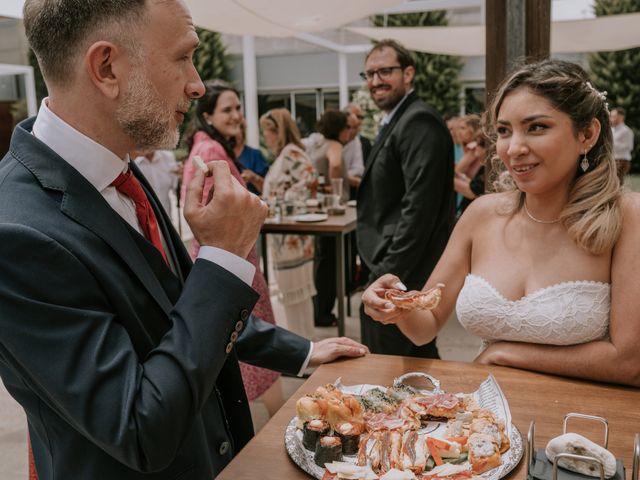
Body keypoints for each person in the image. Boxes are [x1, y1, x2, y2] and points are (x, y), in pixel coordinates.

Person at [0, 2, 368, 479]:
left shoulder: (117, 166)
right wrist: (221, 256)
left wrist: (299, 351)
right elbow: (139, 428)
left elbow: (170, 306)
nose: (197, 83)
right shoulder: (15, 233)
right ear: (107, 67)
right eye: (182, 58)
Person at [363, 59, 640, 387]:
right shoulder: (481, 214)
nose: (514, 148)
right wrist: (397, 305)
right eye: (505, 131)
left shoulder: (626, 216)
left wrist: (504, 353)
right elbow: (427, 324)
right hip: (486, 421)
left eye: (536, 127)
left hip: (583, 424)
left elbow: (629, 362)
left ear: (587, 134)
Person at [180, 80, 281, 416]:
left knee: (251, 349)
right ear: (207, 114)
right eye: (227, 109)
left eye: (238, 107)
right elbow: (219, 215)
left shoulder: (209, 146)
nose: (237, 115)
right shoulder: (210, 151)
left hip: (232, 257)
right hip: (233, 260)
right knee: (255, 346)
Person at [357, 39, 455, 358]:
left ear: (408, 73)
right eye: (369, 74)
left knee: (400, 362)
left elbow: (419, 208)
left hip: (406, 266)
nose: (375, 81)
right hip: (393, 262)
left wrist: (389, 273)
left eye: (385, 71)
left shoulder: (418, 120)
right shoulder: (397, 118)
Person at [260, 108, 318, 339]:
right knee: (294, 295)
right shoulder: (286, 154)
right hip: (286, 237)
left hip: (291, 237)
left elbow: (310, 178)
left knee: (296, 295)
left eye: (267, 132)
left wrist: (283, 203)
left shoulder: (291, 152)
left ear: (278, 131)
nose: (266, 138)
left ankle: (303, 344)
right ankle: (303, 342)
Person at [303, 109, 353, 327]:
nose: (350, 132)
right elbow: (334, 165)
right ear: (339, 129)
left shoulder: (318, 145)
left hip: (318, 206)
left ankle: (319, 310)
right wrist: (335, 191)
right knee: (331, 263)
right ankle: (324, 313)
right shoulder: (335, 146)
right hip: (332, 210)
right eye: (347, 127)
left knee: (321, 261)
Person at [133, 149, 181, 216]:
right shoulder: (133, 161)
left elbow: (175, 186)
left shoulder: (168, 157)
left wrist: (181, 177)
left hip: (165, 211)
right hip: (143, 214)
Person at [454, 130, 489, 213]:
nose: (459, 132)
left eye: (463, 128)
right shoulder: (485, 166)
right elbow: (474, 183)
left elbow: (473, 191)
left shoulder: (489, 168)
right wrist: (459, 176)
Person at [235, 119, 270, 195]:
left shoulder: (254, 154)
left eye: (236, 128)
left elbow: (269, 188)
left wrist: (254, 178)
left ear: (242, 131)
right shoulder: (221, 154)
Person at [609, 107, 634, 180]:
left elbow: (630, 146)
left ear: (620, 117)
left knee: (617, 182)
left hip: (622, 160)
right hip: (611, 159)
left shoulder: (626, 131)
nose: (611, 118)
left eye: (613, 116)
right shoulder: (611, 130)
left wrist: (612, 144)